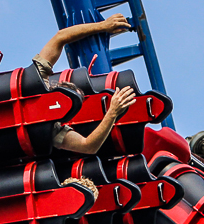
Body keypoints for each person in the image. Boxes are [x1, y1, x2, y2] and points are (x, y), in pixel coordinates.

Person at [33, 13, 137, 155]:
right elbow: (87, 146)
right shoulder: (51, 129)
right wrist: (112, 113)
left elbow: (60, 37)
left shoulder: (35, 81)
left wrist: (103, 26)